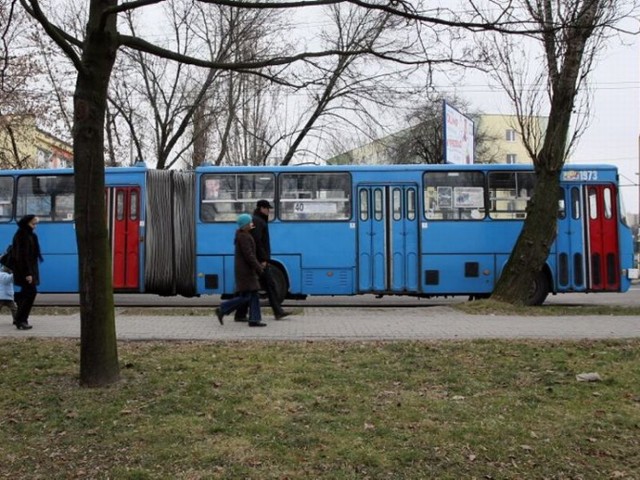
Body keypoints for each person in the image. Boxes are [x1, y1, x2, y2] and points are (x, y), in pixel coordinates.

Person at [234, 199, 291, 322]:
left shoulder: (258, 220)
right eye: (267, 208)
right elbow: (258, 243)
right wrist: (263, 260)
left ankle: (240, 314)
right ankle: (277, 311)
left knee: (251, 289)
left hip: (258, 260)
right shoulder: (258, 222)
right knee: (267, 285)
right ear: (261, 208)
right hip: (260, 261)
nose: (269, 211)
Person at [214, 213, 266, 327]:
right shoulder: (244, 237)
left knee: (253, 295)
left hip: (246, 271)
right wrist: (259, 268)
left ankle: (254, 319)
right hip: (246, 272)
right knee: (247, 296)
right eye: (250, 222)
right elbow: (249, 256)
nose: (252, 224)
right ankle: (223, 308)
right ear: (245, 225)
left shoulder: (244, 235)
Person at [12, 214, 42, 330]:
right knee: (31, 293)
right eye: (33, 224)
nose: (34, 227)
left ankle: (19, 318)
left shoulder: (29, 235)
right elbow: (22, 256)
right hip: (25, 271)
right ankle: (21, 320)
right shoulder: (22, 235)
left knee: (27, 293)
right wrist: (27, 273)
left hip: (29, 270)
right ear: (26, 223)